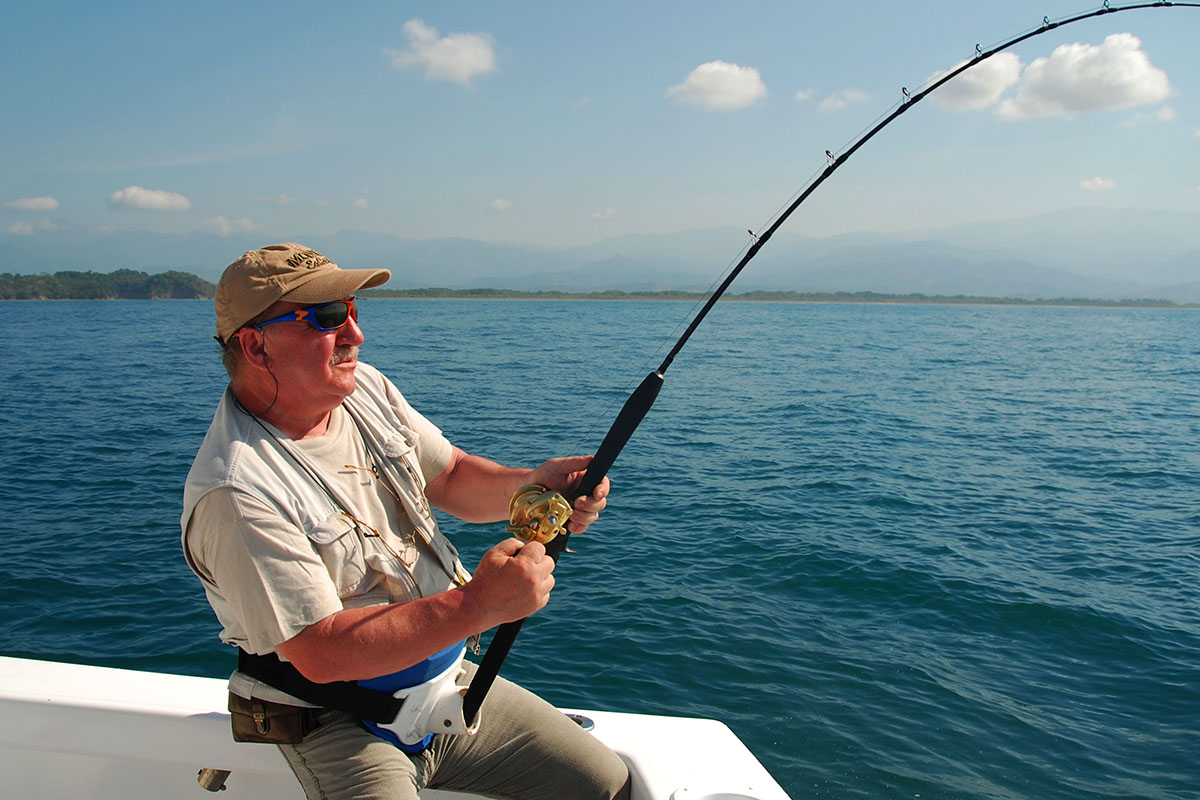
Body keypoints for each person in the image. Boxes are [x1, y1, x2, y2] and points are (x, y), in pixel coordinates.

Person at [181, 243, 630, 800]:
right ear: (255, 346)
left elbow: (452, 476)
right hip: (331, 718)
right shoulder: (237, 490)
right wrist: (477, 606)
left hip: (444, 685)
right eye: (326, 317)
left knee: (606, 785)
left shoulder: (364, 389)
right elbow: (321, 652)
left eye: (352, 310)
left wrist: (534, 487)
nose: (354, 333)